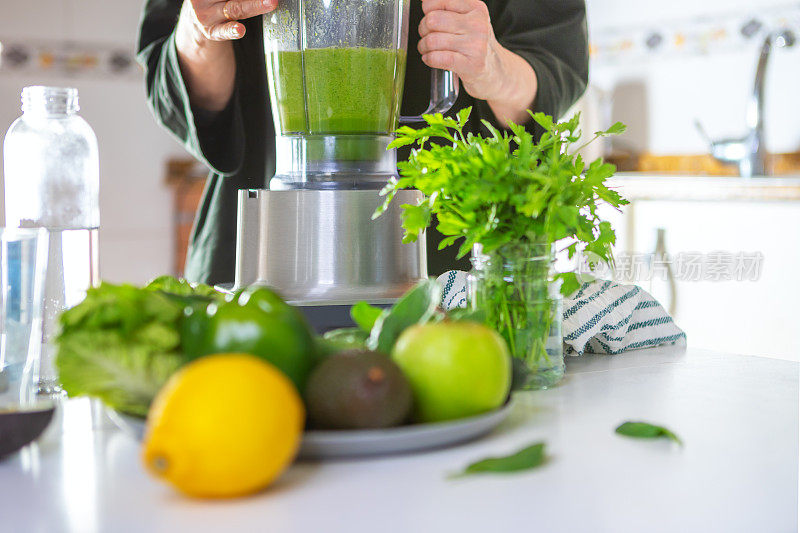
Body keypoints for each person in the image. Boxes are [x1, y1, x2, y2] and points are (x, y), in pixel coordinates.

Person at [138, 0, 588, 285]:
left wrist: (492, 67)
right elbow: (169, 79)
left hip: (454, 261)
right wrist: (199, 33)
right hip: (263, 258)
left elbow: (553, 67)